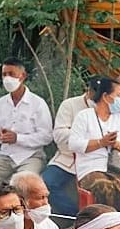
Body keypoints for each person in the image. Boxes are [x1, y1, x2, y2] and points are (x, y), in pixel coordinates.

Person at [0, 57, 53, 205]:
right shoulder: (1, 103)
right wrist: (0, 136)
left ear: (23, 76)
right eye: (4, 74)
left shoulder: (37, 103)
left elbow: (46, 136)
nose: (7, 78)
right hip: (6, 156)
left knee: (23, 181)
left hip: (31, 156)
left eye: (12, 74)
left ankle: (21, 212)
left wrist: (17, 138)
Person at [69, 77, 120, 226]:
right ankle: (104, 227)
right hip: (91, 167)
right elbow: (73, 144)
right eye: (118, 96)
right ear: (106, 97)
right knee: (103, 186)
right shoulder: (84, 116)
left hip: (118, 165)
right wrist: (101, 142)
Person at [42, 76, 101, 220]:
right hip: (68, 158)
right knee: (46, 183)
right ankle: (79, 215)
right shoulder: (70, 105)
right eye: (95, 92)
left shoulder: (109, 108)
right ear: (89, 90)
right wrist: (85, 139)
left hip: (97, 160)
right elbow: (59, 135)